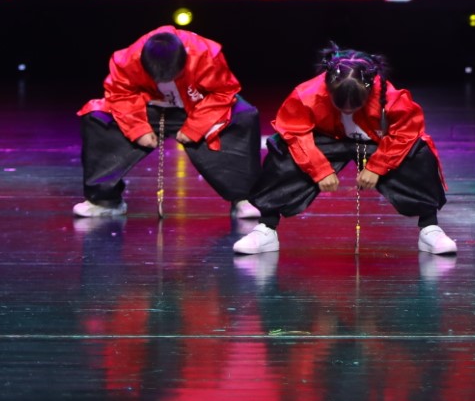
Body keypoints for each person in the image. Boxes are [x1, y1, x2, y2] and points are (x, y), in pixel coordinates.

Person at [232, 46, 455, 256]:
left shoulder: (390, 97)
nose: (348, 110)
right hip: (327, 140)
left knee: (418, 151)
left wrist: (377, 167)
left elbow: (406, 132)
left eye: (355, 106)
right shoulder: (307, 95)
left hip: (375, 142)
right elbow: (294, 132)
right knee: (282, 150)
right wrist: (319, 170)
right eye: (341, 105)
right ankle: (266, 228)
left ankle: (430, 228)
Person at [75, 26, 261, 219]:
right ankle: (104, 201)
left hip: (198, 107)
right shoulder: (127, 59)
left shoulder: (205, 54)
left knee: (243, 116)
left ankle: (244, 198)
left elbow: (223, 91)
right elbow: (120, 94)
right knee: (98, 118)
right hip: (148, 108)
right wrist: (137, 129)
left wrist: (195, 127)